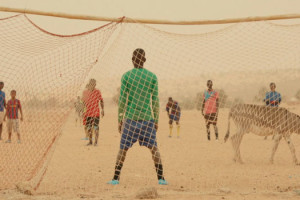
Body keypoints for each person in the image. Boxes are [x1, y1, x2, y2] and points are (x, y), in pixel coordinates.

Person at [107, 48, 168, 185]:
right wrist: (156, 120)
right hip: (147, 119)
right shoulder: (152, 77)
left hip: (130, 119)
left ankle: (115, 178)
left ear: (132, 60)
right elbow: (155, 100)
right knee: (154, 149)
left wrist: (120, 120)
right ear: (144, 60)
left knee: (123, 148)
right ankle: (161, 179)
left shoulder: (127, 76)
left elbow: (122, 100)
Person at [82, 79, 104, 146]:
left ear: (95, 85)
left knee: (96, 127)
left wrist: (102, 110)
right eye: (92, 84)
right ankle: (90, 141)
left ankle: (96, 142)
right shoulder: (85, 92)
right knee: (88, 128)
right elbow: (83, 103)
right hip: (88, 113)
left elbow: (101, 100)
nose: (93, 85)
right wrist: (83, 112)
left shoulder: (97, 91)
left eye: (94, 84)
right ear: (89, 84)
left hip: (96, 113)